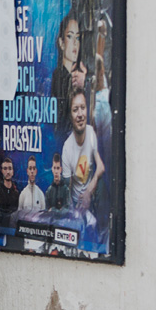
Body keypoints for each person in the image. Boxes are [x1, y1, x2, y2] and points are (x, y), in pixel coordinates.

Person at [61, 89, 104, 218]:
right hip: (76, 204)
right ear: (70, 116)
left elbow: (101, 167)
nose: (80, 114)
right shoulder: (67, 148)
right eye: (75, 110)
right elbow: (66, 191)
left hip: (92, 198)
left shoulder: (91, 133)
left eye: (83, 108)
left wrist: (88, 192)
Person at [51, 13, 87, 140]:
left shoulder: (78, 73)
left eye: (77, 38)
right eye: (70, 36)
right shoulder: (59, 77)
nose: (75, 44)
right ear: (61, 43)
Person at [0, 154, 20, 227]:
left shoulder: (16, 193)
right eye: (5, 168)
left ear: (13, 172)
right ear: (2, 171)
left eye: (10, 168)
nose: (8, 172)